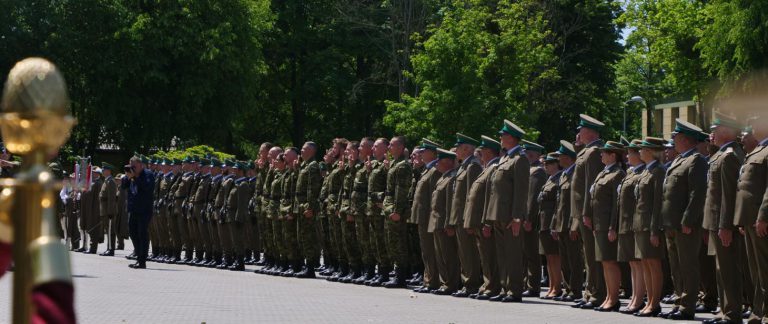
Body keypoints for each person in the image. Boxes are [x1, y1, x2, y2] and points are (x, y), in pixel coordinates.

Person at [659, 119, 708, 320]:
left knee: (688, 265)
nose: (673, 141)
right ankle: (679, 300)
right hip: (671, 223)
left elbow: (697, 194)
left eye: (676, 137)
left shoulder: (696, 160)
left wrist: (688, 220)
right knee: (676, 266)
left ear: (686, 140)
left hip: (684, 224)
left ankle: (688, 306)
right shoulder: (679, 160)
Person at [703, 111, 746, 324]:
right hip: (715, 221)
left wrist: (725, 225)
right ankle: (724, 309)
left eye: (714, 131)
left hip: (723, 222)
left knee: (728, 268)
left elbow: (729, 195)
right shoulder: (721, 153)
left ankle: (732, 313)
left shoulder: (729, 156)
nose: (711, 135)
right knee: (721, 267)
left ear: (726, 132)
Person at [484, 119, 530, 303]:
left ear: (511, 138)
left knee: (512, 254)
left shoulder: (520, 159)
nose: (500, 138)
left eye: (503, 135)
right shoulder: (505, 158)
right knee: (502, 254)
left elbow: (521, 190)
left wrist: (518, 216)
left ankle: (514, 290)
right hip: (498, 214)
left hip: (511, 216)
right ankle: (505, 288)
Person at [735, 112, 768, 324]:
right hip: (749, 218)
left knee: (764, 269)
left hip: (760, 218)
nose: (753, 127)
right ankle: (759, 311)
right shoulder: (758, 150)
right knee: (755, 271)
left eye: (757, 124)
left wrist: (763, 216)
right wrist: (742, 219)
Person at [571, 114, 607, 310]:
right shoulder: (587, 151)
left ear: (590, 132)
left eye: (581, 130)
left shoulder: (594, 152)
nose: (578, 133)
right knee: (588, 255)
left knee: (593, 255)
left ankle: (597, 293)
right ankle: (590, 292)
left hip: (587, 212)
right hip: (581, 212)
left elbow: (590, 186)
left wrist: (586, 212)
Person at [586, 141, 626, 312]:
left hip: (607, 225)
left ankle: (614, 299)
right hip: (599, 224)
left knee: (610, 262)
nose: (601, 155)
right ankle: (609, 296)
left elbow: (616, 205)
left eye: (604, 153)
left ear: (613, 155)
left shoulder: (617, 174)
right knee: (604, 262)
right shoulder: (604, 173)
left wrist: (612, 227)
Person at [464, 135, 502, 300]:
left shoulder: (493, 168)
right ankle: (487, 284)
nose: (480, 154)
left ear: (489, 152)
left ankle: (492, 286)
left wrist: (487, 222)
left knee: (490, 255)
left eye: (483, 151)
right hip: (478, 220)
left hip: (484, 219)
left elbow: (490, 197)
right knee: (484, 255)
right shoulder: (486, 168)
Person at [633, 137, 666, 317]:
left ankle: (655, 303)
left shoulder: (658, 171)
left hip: (650, 226)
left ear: (651, 151)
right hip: (641, 224)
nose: (640, 151)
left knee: (653, 264)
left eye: (643, 149)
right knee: (645, 263)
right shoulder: (647, 171)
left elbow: (657, 204)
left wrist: (654, 230)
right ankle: (649, 300)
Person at [448, 134, 483, 297]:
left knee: (469, 252)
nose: (456, 151)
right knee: (463, 252)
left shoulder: (473, 166)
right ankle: (467, 282)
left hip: (465, 217)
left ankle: (471, 284)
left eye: (459, 148)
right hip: (459, 216)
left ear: (467, 149)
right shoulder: (464, 166)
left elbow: (471, 196)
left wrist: (469, 219)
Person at [551, 140, 584, 303]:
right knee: (565, 259)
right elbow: (559, 203)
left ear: (570, 158)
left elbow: (575, 202)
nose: (559, 159)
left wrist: (575, 225)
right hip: (561, 223)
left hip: (570, 223)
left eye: (561, 156)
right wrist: (554, 224)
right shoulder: (564, 174)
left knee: (574, 259)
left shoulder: (574, 174)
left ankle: (576, 289)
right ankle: (568, 287)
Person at [410, 139, 442, 293]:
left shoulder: (435, 170)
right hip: (422, 217)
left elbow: (433, 197)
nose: (421, 154)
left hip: (428, 217)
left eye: (425, 151)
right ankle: (428, 279)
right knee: (426, 250)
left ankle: (432, 280)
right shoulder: (427, 169)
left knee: (430, 249)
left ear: (433, 153)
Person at [428, 148, 460, 295]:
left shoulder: (451, 178)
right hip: (436, 222)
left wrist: (449, 224)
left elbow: (449, 204)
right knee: (440, 255)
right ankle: (444, 282)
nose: (436, 165)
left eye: (439, 162)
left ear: (448, 163)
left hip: (443, 223)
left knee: (448, 256)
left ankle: (451, 283)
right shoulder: (443, 177)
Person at [383, 136, 413, 288]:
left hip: (396, 211)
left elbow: (401, 191)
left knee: (398, 243)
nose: (389, 147)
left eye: (392, 145)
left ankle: (400, 277)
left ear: (401, 147)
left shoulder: (402, 166)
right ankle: (397, 274)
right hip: (389, 208)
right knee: (392, 243)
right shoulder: (395, 164)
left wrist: (397, 211)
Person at [537, 153, 563, 299]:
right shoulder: (550, 179)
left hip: (551, 222)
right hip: (543, 222)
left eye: (549, 163)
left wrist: (554, 223)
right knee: (548, 257)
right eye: (545, 164)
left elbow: (557, 205)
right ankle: (552, 286)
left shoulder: (559, 179)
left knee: (554, 256)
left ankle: (557, 287)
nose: (545, 166)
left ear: (556, 164)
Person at [124, 155, 156, 269]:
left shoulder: (148, 174)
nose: (133, 168)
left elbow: (146, 187)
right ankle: (138, 255)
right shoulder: (132, 175)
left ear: (141, 165)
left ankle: (142, 260)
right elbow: (123, 186)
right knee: (132, 233)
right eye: (131, 166)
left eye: (135, 166)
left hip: (144, 210)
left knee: (142, 233)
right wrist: (128, 176)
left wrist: (135, 177)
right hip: (133, 209)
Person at [98, 162, 118, 256]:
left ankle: (111, 249)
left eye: (104, 169)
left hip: (108, 211)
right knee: (108, 230)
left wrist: (110, 211)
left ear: (108, 171)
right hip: (104, 210)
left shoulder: (111, 182)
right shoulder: (106, 181)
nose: (102, 171)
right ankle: (108, 247)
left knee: (111, 231)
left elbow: (111, 198)